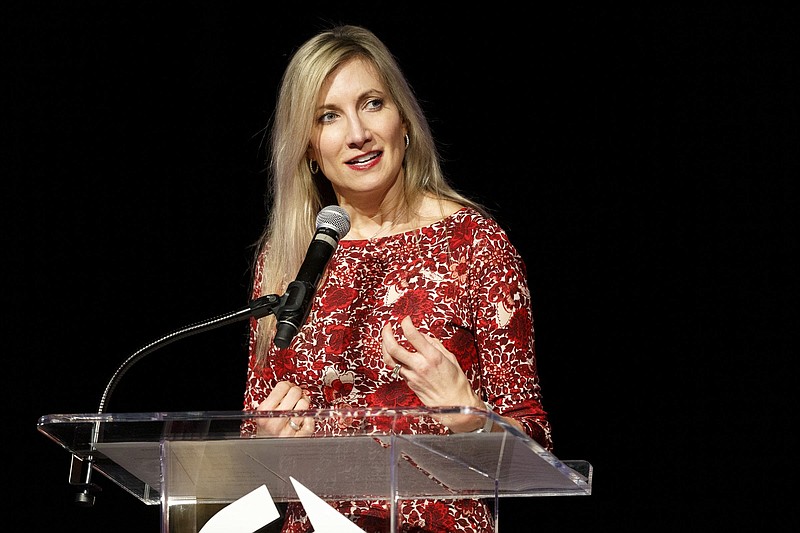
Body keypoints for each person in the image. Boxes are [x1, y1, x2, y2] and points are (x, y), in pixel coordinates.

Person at [241, 24, 552, 532]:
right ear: (309, 148)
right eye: (328, 117)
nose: (357, 133)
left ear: (403, 120)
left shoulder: (474, 242)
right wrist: (269, 443)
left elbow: (535, 452)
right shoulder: (288, 259)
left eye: (372, 104)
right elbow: (254, 438)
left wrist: (470, 414)